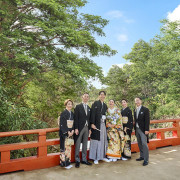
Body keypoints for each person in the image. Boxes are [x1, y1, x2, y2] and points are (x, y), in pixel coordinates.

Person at [89, 91, 110, 164]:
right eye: (101, 95)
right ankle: (95, 158)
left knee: (102, 140)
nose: (102, 96)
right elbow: (92, 114)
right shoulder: (95, 103)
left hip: (103, 124)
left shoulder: (105, 105)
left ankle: (102, 156)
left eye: (103, 95)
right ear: (99, 96)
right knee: (95, 141)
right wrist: (92, 123)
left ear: (105, 96)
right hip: (96, 125)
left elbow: (108, 114)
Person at [74, 93, 92, 168]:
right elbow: (76, 118)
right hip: (79, 128)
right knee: (78, 144)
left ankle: (84, 159)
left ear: (88, 98)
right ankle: (77, 160)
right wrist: (76, 128)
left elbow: (89, 119)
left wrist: (90, 129)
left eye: (87, 97)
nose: (86, 98)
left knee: (85, 144)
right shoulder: (78, 107)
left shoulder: (88, 107)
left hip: (87, 127)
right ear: (82, 97)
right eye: (85, 96)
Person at [134, 97, 150, 166]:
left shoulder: (145, 109)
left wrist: (147, 129)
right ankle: (142, 156)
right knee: (139, 143)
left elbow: (147, 120)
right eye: (135, 101)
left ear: (141, 101)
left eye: (138, 100)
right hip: (137, 129)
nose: (137, 102)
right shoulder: (135, 110)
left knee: (144, 144)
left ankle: (146, 159)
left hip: (143, 129)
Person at [59, 99, 74, 169]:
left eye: (71, 104)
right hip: (64, 133)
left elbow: (73, 123)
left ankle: (68, 163)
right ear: (66, 105)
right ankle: (63, 163)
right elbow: (62, 124)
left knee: (68, 149)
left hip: (70, 133)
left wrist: (72, 130)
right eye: (68, 104)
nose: (70, 105)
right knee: (64, 148)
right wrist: (67, 131)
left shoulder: (72, 113)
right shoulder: (63, 113)